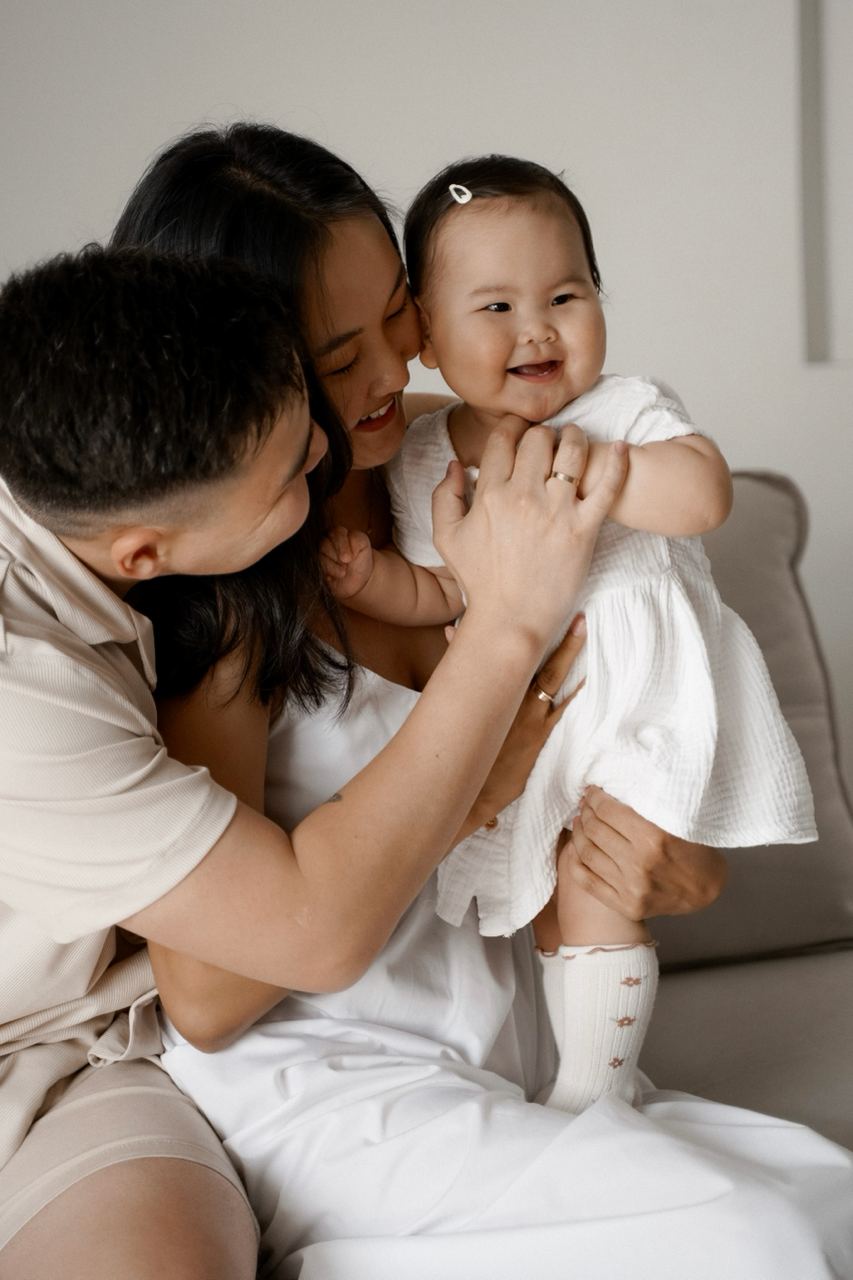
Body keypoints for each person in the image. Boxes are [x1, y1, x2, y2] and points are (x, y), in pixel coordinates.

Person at [107, 124, 852, 1279]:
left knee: (829, 1203)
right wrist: (478, 775)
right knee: (762, 1244)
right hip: (336, 1080)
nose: (389, 375)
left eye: (398, 316)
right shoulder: (228, 593)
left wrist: (677, 860)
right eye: (336, 355)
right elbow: (204, 997)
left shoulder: (466, 455)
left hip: (524, 1054)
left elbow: (630, 699)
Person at [0, 244, 627, 1279]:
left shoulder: (92, 467)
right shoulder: (29, 690)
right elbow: (311, 932)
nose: (331, 459)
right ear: (143, 554)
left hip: (88, 1059)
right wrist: (507, 625)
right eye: (296, 471)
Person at [321, 154, 816, 1114]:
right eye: (494, 306)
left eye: (564, 294)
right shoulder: (423, 455)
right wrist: (376, 581)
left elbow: (701, 497)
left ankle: (599, 1090)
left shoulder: (622, 411)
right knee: (545, 892)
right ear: (426, 335)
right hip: (530, 722)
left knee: (602, 879)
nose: (536, 327)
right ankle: (579, 1082)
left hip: (635, 698)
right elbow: (448, 591)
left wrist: (582, 466)